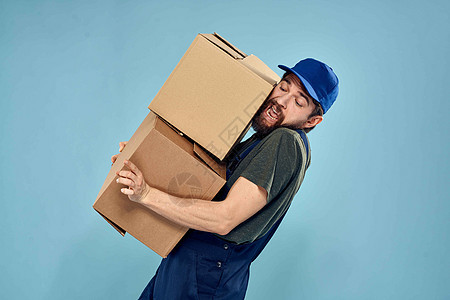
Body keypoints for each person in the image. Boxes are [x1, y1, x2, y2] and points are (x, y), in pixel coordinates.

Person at [111, 58, 339, 299]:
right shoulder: (264, 139)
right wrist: (144, 158)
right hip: (188, 264)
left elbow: (224, 218)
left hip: (204, 278)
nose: (280, 101)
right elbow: (206, 177)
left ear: (312, 120)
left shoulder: (285, 141)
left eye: (298, 101)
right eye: (283, 87)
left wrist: (145, 194)